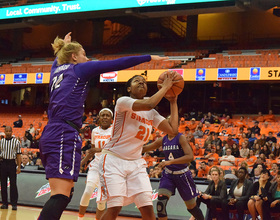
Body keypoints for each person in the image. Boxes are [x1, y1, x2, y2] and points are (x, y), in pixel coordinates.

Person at [38, 32, 168, 220]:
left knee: (65, 194)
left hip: (53, 131)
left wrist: (62, 47)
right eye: (83, 54)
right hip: (62, 133)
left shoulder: (56, 70)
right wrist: (149, 57)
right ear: (74, 57)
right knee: (60, 196)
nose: (87, 58)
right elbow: (118, 63)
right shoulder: (78, 69)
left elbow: (58, 60)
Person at [97, 71, 178, 220]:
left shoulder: (152, 113)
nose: (142, 82)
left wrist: (173, 101)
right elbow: (149, 103)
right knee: (115, 207)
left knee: (147, 208)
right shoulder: (123, 102)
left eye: (144, 82)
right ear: (128, 88)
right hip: (113, 159)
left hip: (136, 163)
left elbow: (173, 130)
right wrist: (165, 87)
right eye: (137, 81)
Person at [142, 126, 204, 220]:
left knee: (192, 208)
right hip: (168, 175)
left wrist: (170, 162)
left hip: (183, 175)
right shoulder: (163, 139)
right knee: (160, 205)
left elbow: (190, 157)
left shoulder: (180, 137)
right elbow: (145, 148)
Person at [78, 108, 113, 220]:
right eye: (103, 115)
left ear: (112, 118)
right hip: (96, 165)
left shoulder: (115, 131)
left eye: (108, 115)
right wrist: (83, 162)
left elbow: (115, 149)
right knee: (88, 191)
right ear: (99, 118)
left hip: (109, 168)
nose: (105, 117)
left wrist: (99, 150)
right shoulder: (95, 131)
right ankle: (80, 218)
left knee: (101, 200)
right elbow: (93, 150)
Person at [0, 126, 21, 210]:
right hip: (3, 163)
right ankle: (4, 203)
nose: (8, 132)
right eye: (7, 131)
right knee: (3, 184)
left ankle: (14, 204)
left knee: (13, 184)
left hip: (12, 163)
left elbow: (18, 155)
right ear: (4, 132)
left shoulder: (16, 142)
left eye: (9, 131)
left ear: (12, 132)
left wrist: (19, 166)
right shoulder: (1, 142)